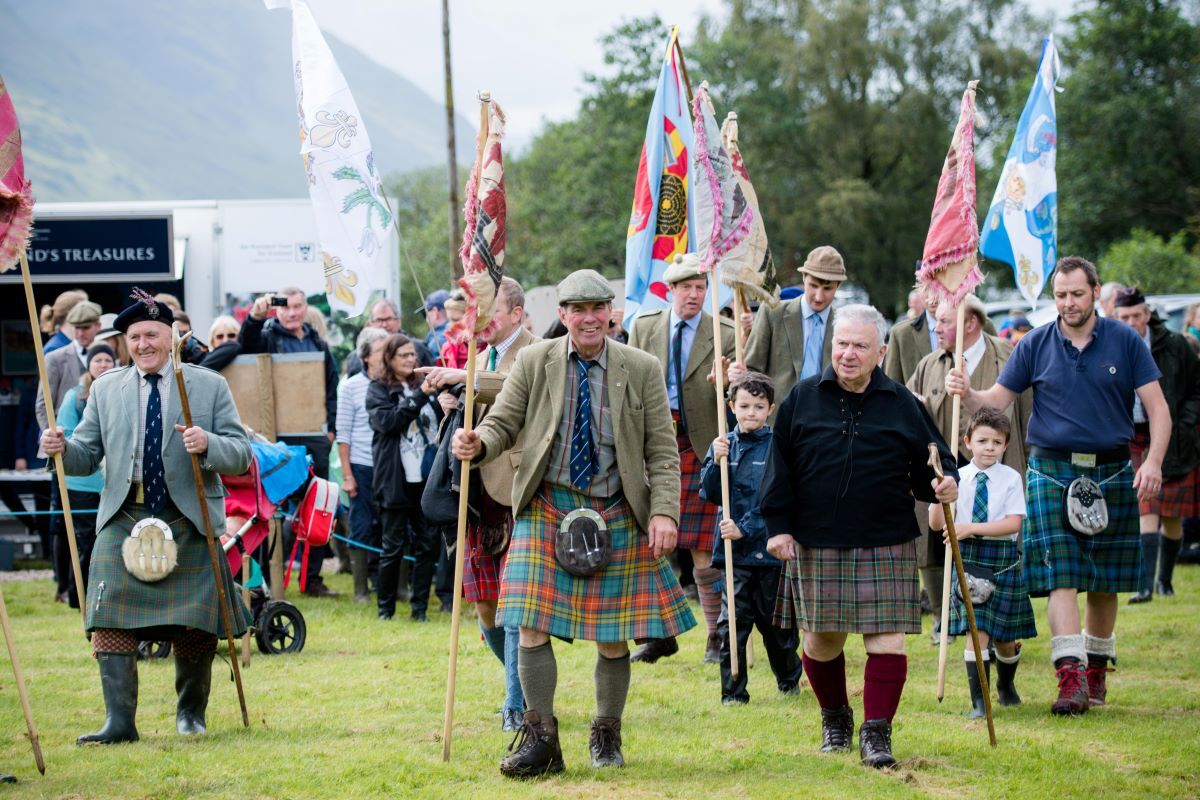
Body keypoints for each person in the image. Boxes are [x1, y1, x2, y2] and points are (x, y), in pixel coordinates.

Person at [452, 269, 695, 776]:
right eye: (577, 310)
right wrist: (480, 443)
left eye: (597, 308)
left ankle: (606, 733)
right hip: (548, 505)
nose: (588, 318)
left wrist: (666, 510)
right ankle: (541, 738)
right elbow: (504, 420)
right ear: (561, 315)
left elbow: (663, 452)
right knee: (529, 625)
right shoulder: (537, 361)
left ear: (611, 313)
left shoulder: (642, 367)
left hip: (615, 506)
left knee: (613, 634)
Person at [946, 256, 1170, 715]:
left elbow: (1159, 409)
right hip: (1050, 470)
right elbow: (996, 401)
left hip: (1111, 468)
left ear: (1094, 291)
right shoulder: (1035, 344)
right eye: (1061, 295)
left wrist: (1154, 462)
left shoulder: (1125, 342)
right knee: (1061, 578)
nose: (1068, 303)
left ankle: (1096, 672)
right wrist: (967, 392)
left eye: (1077, 294)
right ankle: (1070, 680)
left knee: (1104, 581)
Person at [41, 291, 251, 743]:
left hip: (188, 514)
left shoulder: (208, 385)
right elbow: (84, 454)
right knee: (109, 614)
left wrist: (208, 444)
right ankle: (120, 723)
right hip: (124, 513)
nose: (142, 344)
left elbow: (241, 455)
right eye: (133, 336)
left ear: (171, 335)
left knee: (195, 621)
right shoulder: (105, 388)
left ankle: (190, 714)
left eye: (152, 334)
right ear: (124, 342)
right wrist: (60, 449)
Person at [761, 304, 958, 768]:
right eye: (842, 344)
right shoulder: (801, 398)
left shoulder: (903, 404)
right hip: (816, 536)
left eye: (859, 346)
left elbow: (935, 462)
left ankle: (876, 734)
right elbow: (779, 470)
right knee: (821, 642)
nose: (848, 354)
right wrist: (778, 527)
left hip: (885, 536)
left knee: (887, 640)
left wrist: (945, 482)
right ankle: (835, 717)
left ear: (881, 351)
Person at [420, 277, 536, 731]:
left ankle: (515, 702)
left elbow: (516, 389)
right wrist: (453, 401)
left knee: (511, 606)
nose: (479, 320)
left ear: (516, 312)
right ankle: (521, 678)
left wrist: (462, 377)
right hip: (474, 496)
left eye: (488, 311)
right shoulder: (480, 354)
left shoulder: (535, 350)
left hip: (516, 492)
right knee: (485, 606)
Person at [628, 254, 737, 664]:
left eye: (700, 287)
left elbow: (739, 396)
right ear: (670, 290)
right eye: (686, 287)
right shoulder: (644, 326)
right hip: (654, 442)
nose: (694, 294)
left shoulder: (723, 332)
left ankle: (716, 636)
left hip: (702, 444)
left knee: (700, 549)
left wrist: (728, 383)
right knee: (647, 543)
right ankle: (657, 633)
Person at [907, 294, 1031, 643]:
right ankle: (941, 614)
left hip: (997, 462)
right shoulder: (931, 363)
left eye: (945, 321)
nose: (937, 328)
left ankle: (992, 611)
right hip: (946, 466)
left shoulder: (1007, 357)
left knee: (990, 539)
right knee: (934, 537)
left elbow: (1024, 413)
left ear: (971, 324)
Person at [699, 371, 802, 704]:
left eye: (759, 406)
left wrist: (746, 525)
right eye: (744, 406)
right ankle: (733, 693)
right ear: (732, 406)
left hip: (769, 550)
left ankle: (788, 680)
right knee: (733, 624)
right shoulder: (724, 445)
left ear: (770, 408)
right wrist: (715, 463)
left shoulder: (778, 447)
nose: (751, 413)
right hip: (734, 554)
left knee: (777, 628)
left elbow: (777, 498)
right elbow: (711, 494)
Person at [928, 408, 1035, 718]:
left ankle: (1005, 685)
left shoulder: (1011, 478)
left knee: (1004, 640)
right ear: (967, 442)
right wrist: (939, 497)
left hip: (1000, 558)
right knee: (978, 633)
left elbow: (1014, 524)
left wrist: (970, 528)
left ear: (1005, 446)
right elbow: (937, 525)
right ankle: (980, 702)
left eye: (997, 442)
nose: (990, 447)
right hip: (967, 559)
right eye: (983, 440)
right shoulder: (955, 478)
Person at [239, 288, 340, 597]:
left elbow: (331, 388)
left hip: (314, 435)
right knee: (266, 508)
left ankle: (312, 579)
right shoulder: (267, 336)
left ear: (305, 307)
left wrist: (330, 430)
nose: (292, 312)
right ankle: (263, 581)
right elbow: (245, 347)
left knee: (318, 509)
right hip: (276, 437)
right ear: (277, 310)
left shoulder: (318, 343)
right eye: (286, 307)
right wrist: (256, 318)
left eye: (298, 306)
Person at [1112, 288, 1200, 602]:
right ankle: (1146, 586)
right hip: (1132, 436)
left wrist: (1185, 423)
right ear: (1115, 316)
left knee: (1173, 517)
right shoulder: (1110, 345)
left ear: (1148, 314)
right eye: (1124, 317)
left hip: (1172, 436)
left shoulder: (1175, 344)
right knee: (1146, 505)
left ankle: (1165, 580)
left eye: (1137, 316)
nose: (1131, 322)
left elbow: (1196, 389)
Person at [368, 334, 445, 622]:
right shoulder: (377, 390)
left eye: (413, 354)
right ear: (389, 359)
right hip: (395, 480)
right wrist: (422, 394)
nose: (411, 359)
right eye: (404, 355)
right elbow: (388, 423)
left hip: (426, 479)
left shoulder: (426, 386)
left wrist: (443, 401)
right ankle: (385, 610)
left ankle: (419, 609)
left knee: (426, 545)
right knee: (393, 547)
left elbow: (441, 420)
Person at [36, 299, 102, 603]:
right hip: (63, 449)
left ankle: (87, 585)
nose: (82, 334)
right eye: (77, 328)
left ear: (97, 327)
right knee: (61, 523)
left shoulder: (107, 354)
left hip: (97, 456)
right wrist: (54, 438)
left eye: (87, 328)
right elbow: (42, 404)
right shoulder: (55, 357)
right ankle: (63, 584)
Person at [737, 245, 846, 414]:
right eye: (813, 286)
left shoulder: (845, 323)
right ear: (803, 278)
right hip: (779, 420)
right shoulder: (772, 312)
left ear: (837, 286)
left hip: (828, 422)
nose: (819, 296)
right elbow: (752, 369)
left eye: (827, 289)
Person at [54, 343, 117, 609]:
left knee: (105, 543)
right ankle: (78, 595)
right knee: (85, 542)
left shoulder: (118, 392)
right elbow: (66, 434)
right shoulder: (75, 396)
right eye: (97, 360)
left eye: (107, 359)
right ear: (89, 365)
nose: (103, 364)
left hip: (110, 482)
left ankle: (102, 594)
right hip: (81, 482)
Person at [337, 327, 389, 603]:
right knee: (361, 526)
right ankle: (361, 590)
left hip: (390, 467)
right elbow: (342, 435)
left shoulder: (395, 383)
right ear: (366, 356)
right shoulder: (350, 386)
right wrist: (348, 475)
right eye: (381, 351)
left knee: (391, 527)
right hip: (361, 466)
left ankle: (391, 586)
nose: (386, 357)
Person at [39, 289, 88, 354]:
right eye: (83, 309)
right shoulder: (53, 349)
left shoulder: (79, 344)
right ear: (69, 314)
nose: (88, 313)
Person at [421, 289, 451, 355]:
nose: (426, 318)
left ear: (435, 312)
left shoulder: (435, 343)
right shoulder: (464, 335)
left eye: (425, 313)